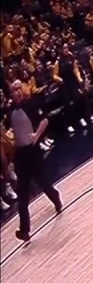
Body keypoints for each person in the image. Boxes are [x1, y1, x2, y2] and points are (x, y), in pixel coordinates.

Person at [7, 80, 63, 242]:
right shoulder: (11, 110)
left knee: (43, 183)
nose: (17, 92)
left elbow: (44, 120)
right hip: (20, 155)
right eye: (13, 90)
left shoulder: (31, 104)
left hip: (33, 151)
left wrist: (36, 135)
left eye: (19, 88)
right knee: (22, 193)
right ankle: (24, 230)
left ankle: (55, 196)